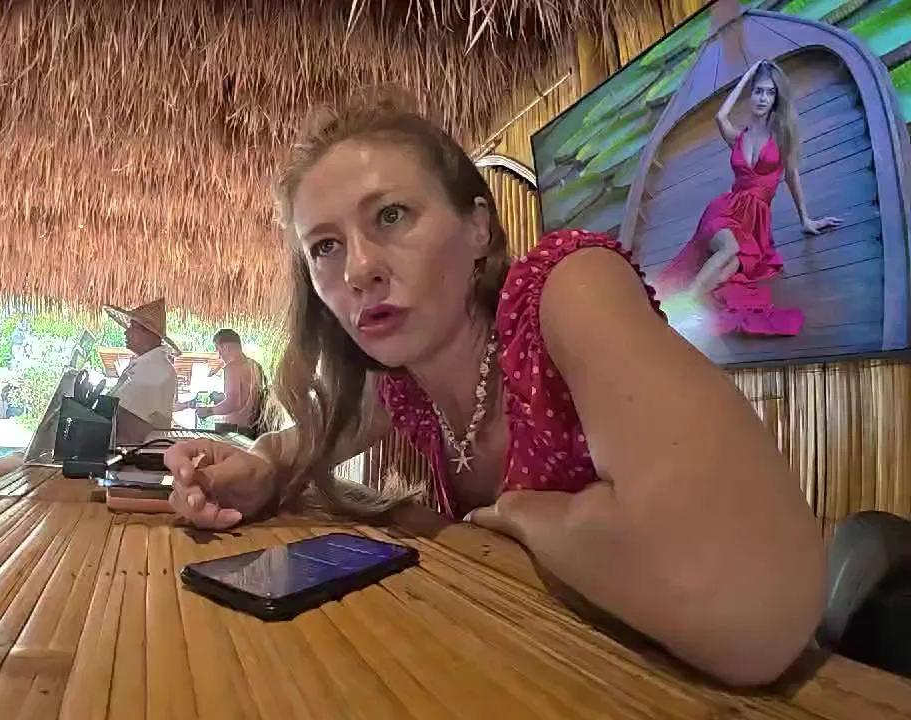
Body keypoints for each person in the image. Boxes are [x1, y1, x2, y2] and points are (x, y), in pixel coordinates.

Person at [162, 100, 825, 687]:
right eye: (325, 247)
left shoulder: (566, 291)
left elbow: (750, 613)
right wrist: (260, 466)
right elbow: (309, 440)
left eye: (391, 215)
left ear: (478, 226)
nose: (358, 269)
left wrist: (527, 516)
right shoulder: (403, 382)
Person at [656, 60, 842, 337]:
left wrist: (806, 219)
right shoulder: (738, 138)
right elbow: (720, 117)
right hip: (725, 211)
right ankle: (682, 306)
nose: (763, 98)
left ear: (776, 99)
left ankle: (683, 302)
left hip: (754, 225)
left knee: (729, 269)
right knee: (729, 249)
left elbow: (791, 176)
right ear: (750, 94)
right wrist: (746, 78)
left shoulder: (781, 137)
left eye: (769, 93)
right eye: (758, 91)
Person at [104, 298, 179, 429]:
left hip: (138, 441)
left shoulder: (155, 368)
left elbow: (123, 412)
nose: (126, 332)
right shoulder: (149, 363)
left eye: (133, 327)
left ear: (149, 333)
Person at [192, 329, 266, 432]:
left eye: (218, 349)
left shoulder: (232, 368)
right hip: (254, 427)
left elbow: (232, 403)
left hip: (236, 429)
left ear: (225, 347)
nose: (219, 355)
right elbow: (247, 399)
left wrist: (208, 411)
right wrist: (220, 397)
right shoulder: (255, 365)